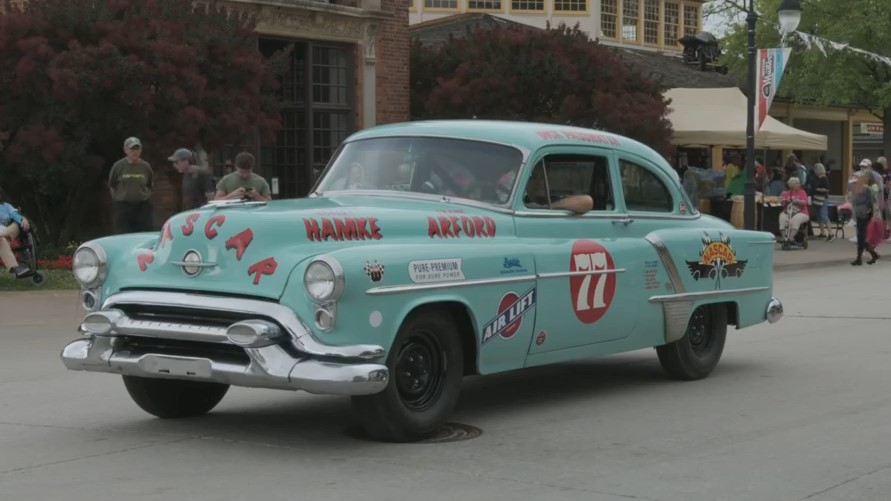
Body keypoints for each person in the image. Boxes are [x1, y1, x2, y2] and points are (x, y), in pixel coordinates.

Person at [108, 137, 154, 233]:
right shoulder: (118, 166)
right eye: (132, 149)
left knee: (144, 233)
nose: (135, 152)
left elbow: (149, 184)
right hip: (124, 207)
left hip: (142, 207)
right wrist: (117, 198)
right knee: (123, 234)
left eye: (137, 149)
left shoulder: (146, 166)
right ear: (126, 150)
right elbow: (112, 184)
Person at [524, 164, 593, 214]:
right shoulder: (521, 204)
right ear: (525, 181)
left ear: (549, 181)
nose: (539, 182)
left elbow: (587, 201)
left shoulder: (558, 200)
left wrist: (547, 208)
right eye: (533, 177)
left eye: (543, 177)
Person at [849, 170, 880, 266]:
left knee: (861, 236)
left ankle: (859, 258)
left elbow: (871, 202)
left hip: (865, 214)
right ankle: (873, 254)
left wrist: (870, 212)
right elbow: (854, 202)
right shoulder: (855, 189)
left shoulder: (867, 189)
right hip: (859, 214)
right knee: (861, 237)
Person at [0, 200, 31, 277]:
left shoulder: (6, 206)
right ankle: (15, 267)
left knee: (18, 224)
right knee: (2, 241)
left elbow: (15, 215)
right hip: (3, 240)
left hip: (8, 231)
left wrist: (22, 219)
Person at [779, 177, 810, 241]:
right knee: (782, 217)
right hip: (788, 212)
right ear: (791, 185)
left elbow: (805, 203)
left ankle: (791, 237)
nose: (799, 185)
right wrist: (784, 201)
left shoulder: (802, 192)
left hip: (801, 212)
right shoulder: (786, 193)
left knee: (796, 219)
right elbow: (782, 204)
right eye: (796, 184)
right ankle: (784, 237)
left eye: (798, 183)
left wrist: (798, 201)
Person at [811, 163, 832, 241]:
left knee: (823, 215)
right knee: (819, 216)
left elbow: (827, 189)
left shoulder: (824, 178)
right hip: (817, 199)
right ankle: (823, 233)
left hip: (823, 198)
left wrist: (817, 189)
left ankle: (831, 233)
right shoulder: (818, 178)